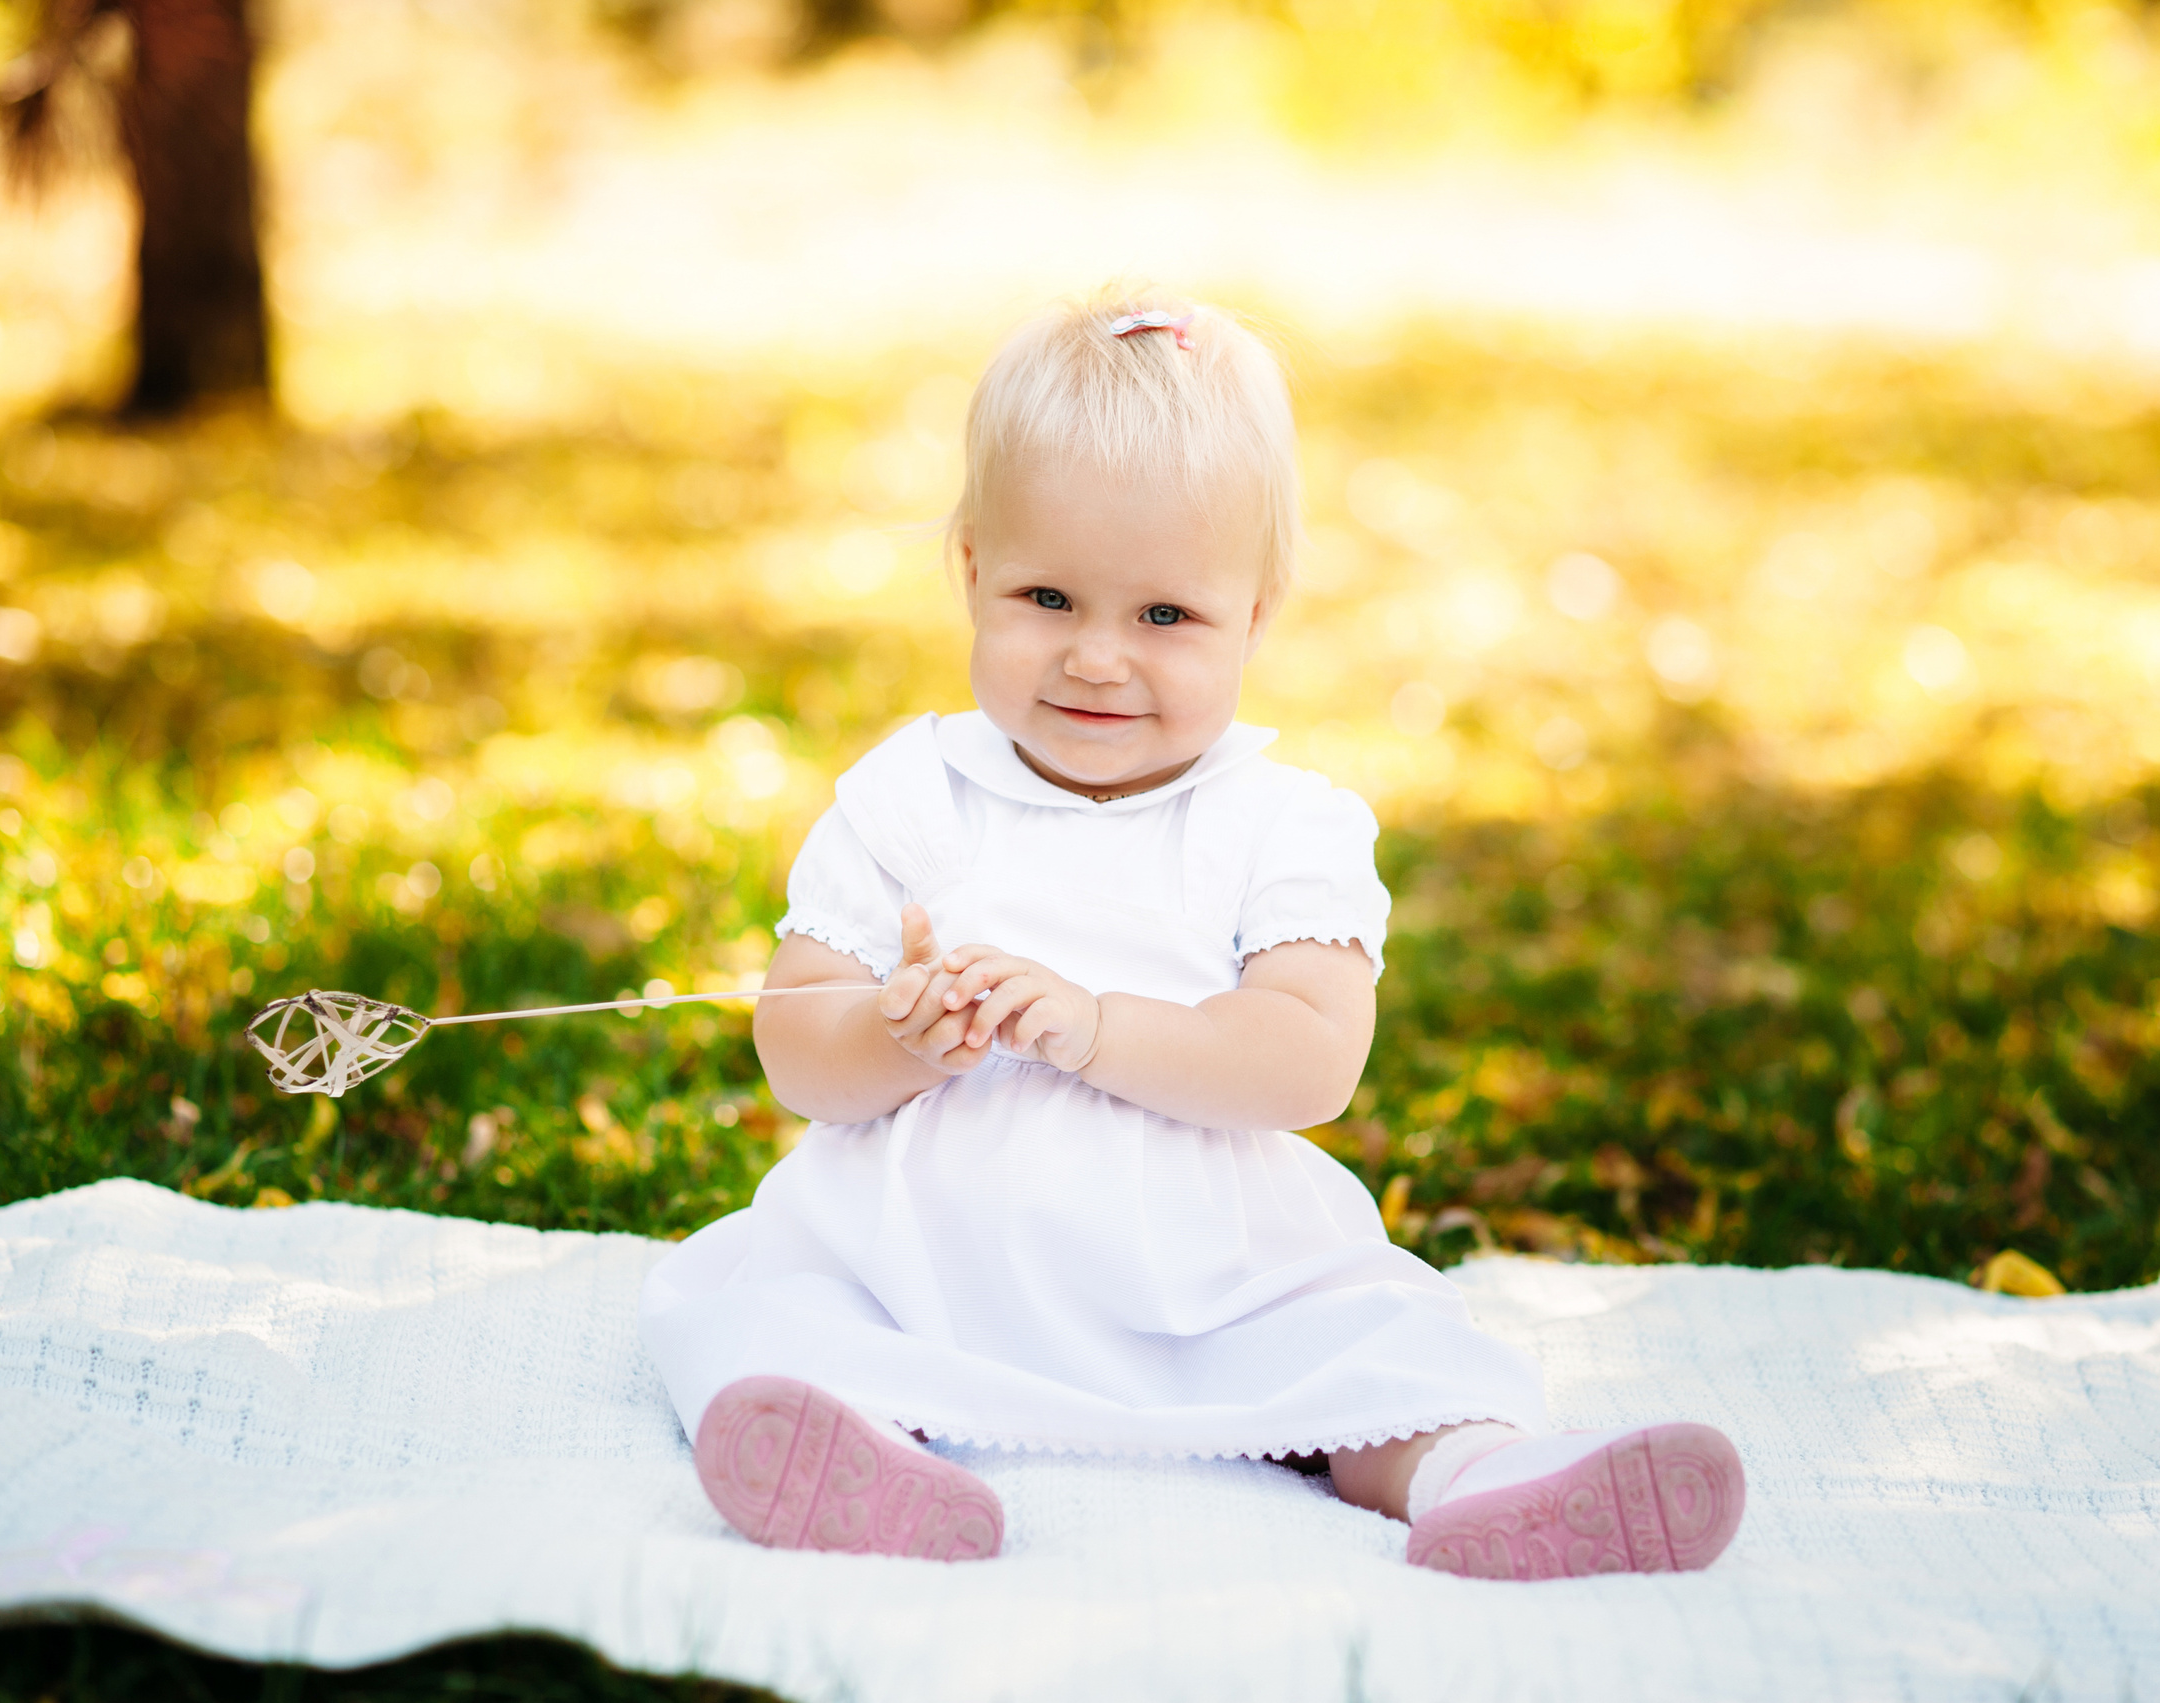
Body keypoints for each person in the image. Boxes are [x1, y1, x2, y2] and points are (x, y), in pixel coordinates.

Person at [638, 290, 1744, 1580]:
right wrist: (894, 1034)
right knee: (759, 1308)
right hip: (918, 1251)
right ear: (972, 573)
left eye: (1165, 617)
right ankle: (864, 1458)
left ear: (1259, 614)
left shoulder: (1285, 827)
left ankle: (1471, 1473)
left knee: (1378, 1343)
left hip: (1214, 1272)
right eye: (1050, 597)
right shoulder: (907, 797)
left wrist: (1097, 1027)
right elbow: (795, 1041)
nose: (1100, 660)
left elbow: (1306, 1062)